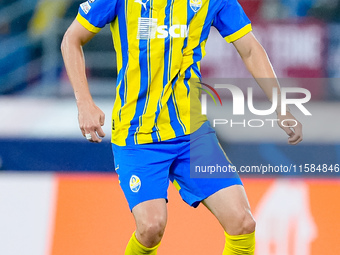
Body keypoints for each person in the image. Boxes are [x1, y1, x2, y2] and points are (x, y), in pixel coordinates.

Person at [61, 0, 303, 254]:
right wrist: (84, 102)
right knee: (150, 228)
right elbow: (71, 39)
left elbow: (251, 49)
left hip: (191, 133)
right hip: (137, 134)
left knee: (243, 223)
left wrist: (281, 106)